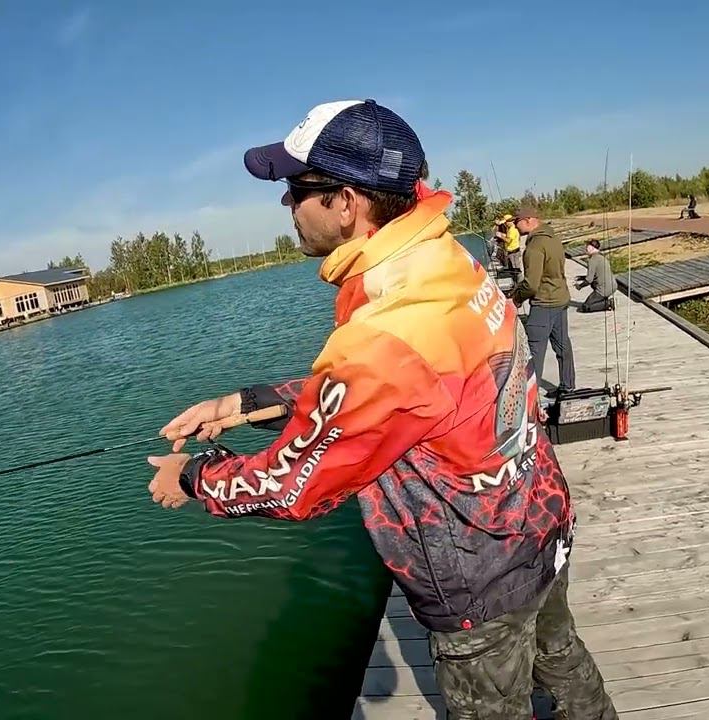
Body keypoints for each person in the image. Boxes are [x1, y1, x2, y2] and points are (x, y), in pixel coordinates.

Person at [145, 99, 616, 719]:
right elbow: (409, 392)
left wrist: (192, 477)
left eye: (294, 189)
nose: (288, 206)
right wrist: (248, 402)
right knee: (565, 658)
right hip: (543, 523)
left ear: (344, 202)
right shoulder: (444, 262)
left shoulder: (387, 329)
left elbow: (292, 487)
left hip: (481, 575)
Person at [512, 201, 576, 397]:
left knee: (534, 352)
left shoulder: (535, 246)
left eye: (517, 222)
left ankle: (530, 400)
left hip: (544, 304)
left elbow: (531, 284)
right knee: (563, 345)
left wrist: (516, 297)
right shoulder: (553, 238)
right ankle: (568, 386)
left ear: (529, 220)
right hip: (560, 298)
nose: (515, 226)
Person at [576, 239, 616, 313]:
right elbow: (597, 274)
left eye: (587, 246)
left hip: (604, 289)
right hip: (613, 285)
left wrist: (580, 286)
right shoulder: (601, 257)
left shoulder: (592, 260)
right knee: (594, 285)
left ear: (591, 248)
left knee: (585, 307)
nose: (586, 248)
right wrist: (582, 277)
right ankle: (603, 300)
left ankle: (608, 303)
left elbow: (589, 280)